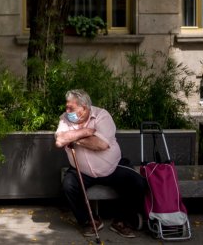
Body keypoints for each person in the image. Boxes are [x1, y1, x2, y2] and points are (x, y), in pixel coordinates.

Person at [54, 89, 146, 238]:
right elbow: (59, 141)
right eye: (67, 106)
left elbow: (100, 144)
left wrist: (72, 137)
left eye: (71, 108)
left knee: (138, 183)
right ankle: (90, 220)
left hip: (112, 166)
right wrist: (85, 132)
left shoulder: (102, 116)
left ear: (83, 108)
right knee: (68, 186)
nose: (67, 110)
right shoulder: (65, 118)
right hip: (81, 171)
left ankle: (122, 221)